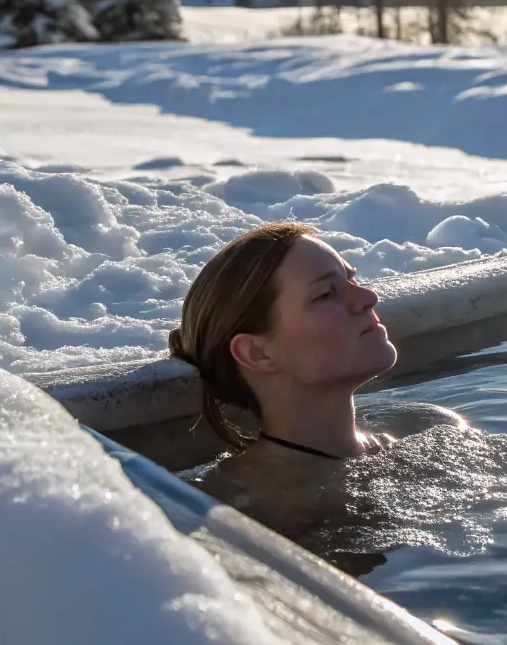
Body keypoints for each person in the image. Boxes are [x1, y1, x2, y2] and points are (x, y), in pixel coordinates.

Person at [168, 221, 459, 546]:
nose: (368, 297)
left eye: (351, 279)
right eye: (326, 294)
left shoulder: (429, 431)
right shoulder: (235, 511)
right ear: (258, 353)